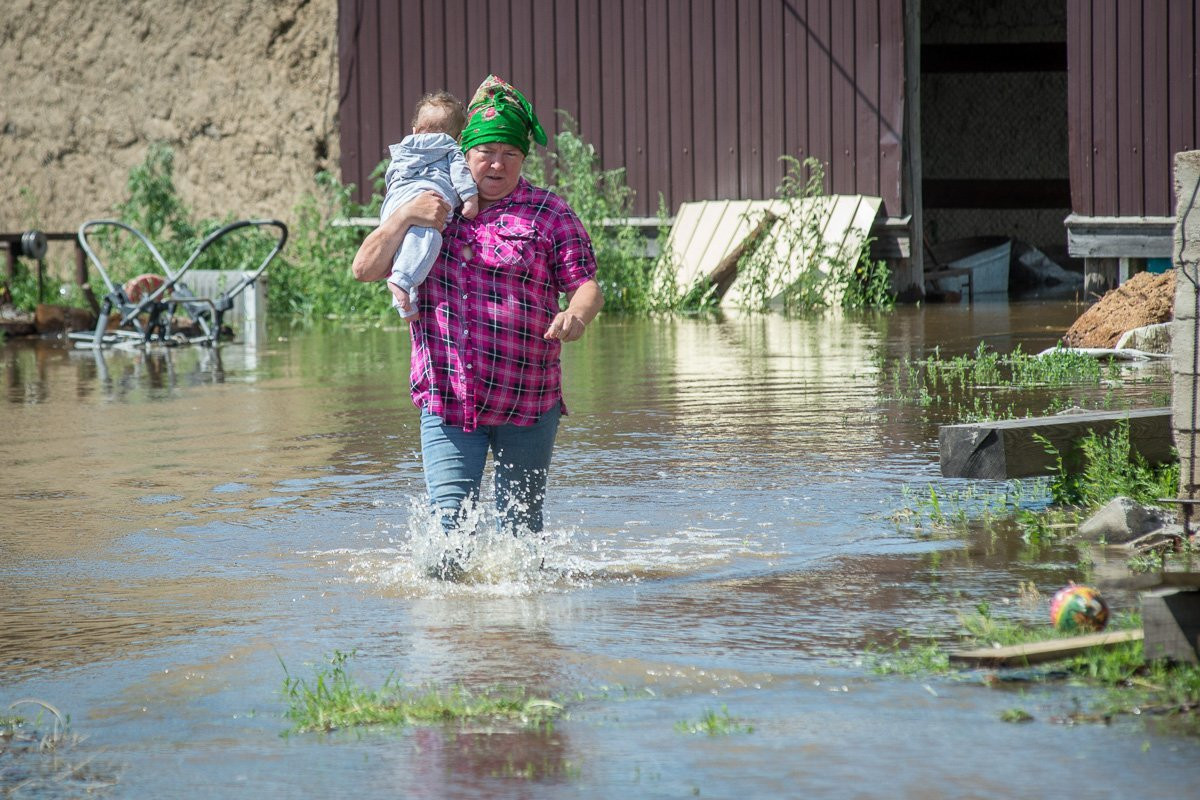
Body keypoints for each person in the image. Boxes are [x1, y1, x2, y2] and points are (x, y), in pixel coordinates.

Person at [352, 75, 604, 571]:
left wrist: (576, 315)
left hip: (528, 400)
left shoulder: (548, 212)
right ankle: (455, 642)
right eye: (486, 151)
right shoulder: (431, 205)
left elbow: (586, 283)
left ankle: (520, 640)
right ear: (462, 153)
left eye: (510, 153)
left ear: (523, 159)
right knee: (448, 544)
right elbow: (365, 270)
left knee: (521, 544)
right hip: (448, 402)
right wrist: (402, 219)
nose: (497, 164)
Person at [381, 91, 480, 319]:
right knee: (428, 242)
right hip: (426, 201)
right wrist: (471, 199)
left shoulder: (403, 148)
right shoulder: (450, 148)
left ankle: (406, 304)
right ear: (459, 138)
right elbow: (461, 174)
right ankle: (402, 283)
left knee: (403, 248)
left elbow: (392, 177)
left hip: (393, 204)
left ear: (414, 130)